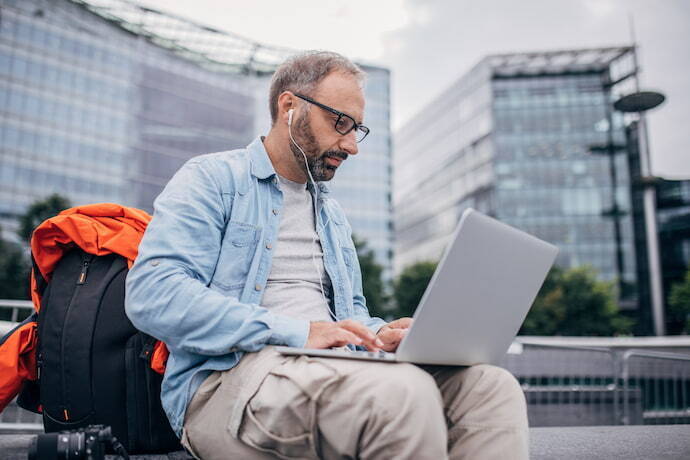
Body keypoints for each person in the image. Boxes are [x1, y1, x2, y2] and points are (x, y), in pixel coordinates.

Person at [125, 50, 529, 460]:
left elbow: (346, 317)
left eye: (358, 129)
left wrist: (379, 334)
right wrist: (299, 332)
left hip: (333, 368)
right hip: (228, 379)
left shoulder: (331, 215)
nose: (352, 145)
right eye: (340, 123)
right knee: (402, 394)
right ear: (289, 107)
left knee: (489, 387)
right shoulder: (212, 178)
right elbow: (153, 294)